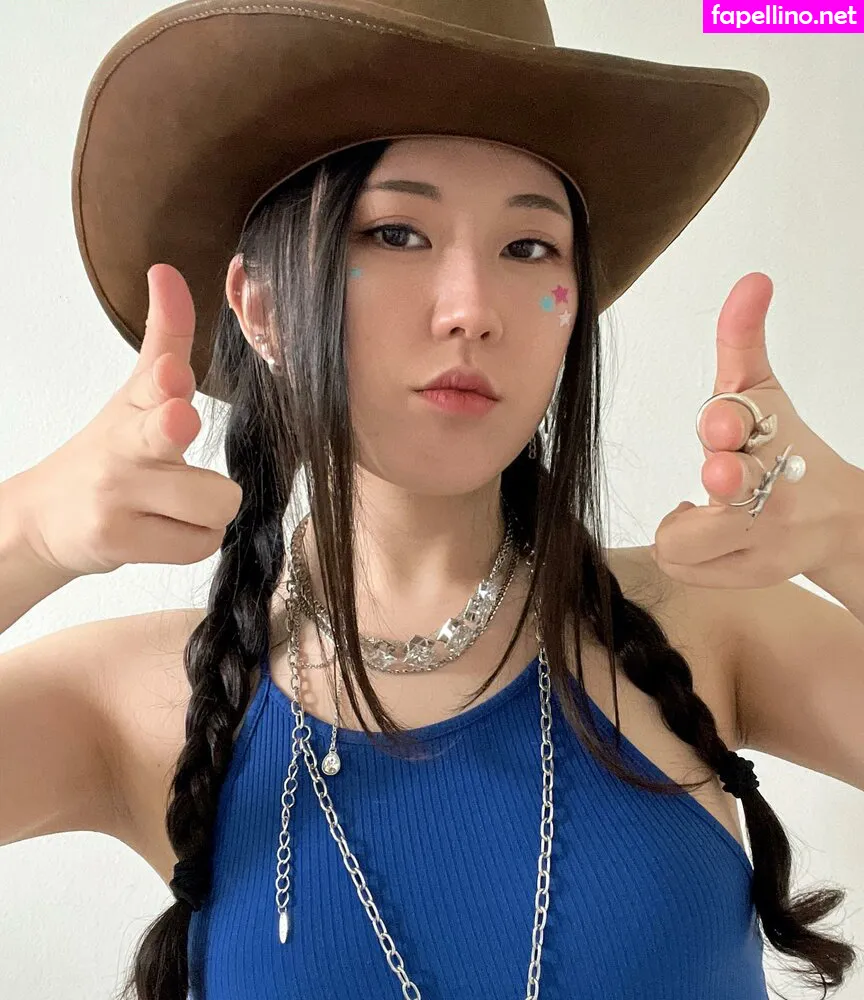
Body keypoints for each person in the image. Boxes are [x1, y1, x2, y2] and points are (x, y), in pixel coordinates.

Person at [0, 2, 858, 999]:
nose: (471, 310)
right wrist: (25, 532)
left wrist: (851, 534)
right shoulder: (142, 701)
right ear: (262, 307)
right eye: (396, 232)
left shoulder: (709, 626)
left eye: (529, 248)